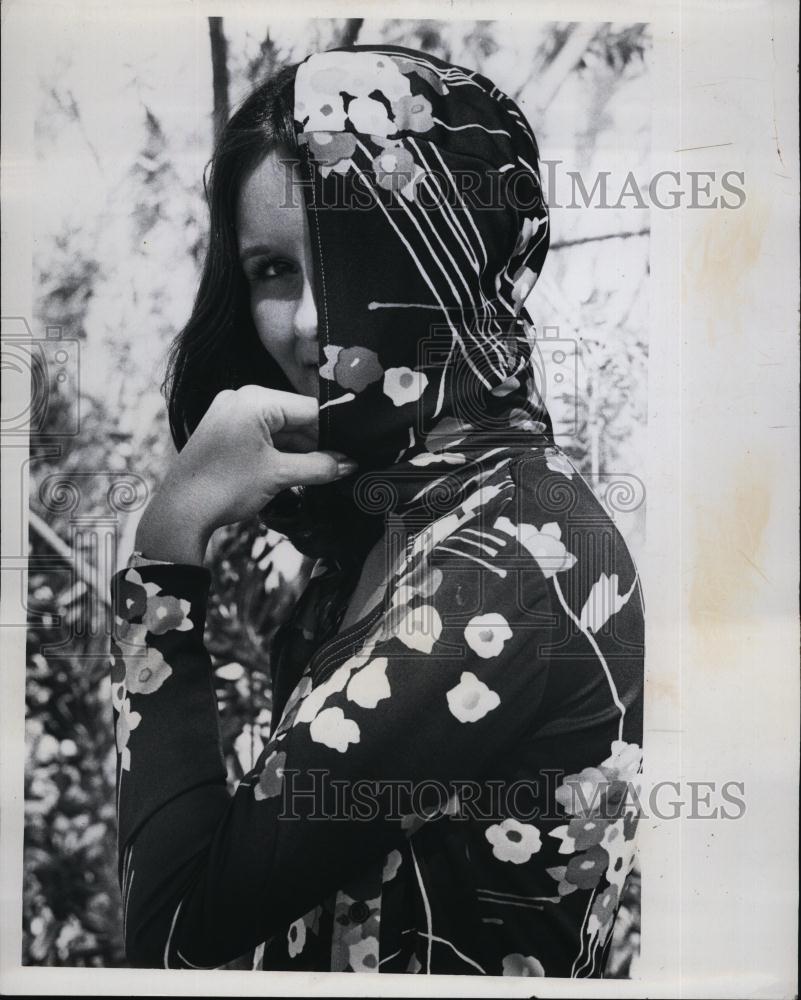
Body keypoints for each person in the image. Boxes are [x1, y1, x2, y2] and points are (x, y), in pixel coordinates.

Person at [108, 44, 644, 977]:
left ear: (459, 257)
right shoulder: (377, 539)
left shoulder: (512, 557)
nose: (312, 320)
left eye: (355, 260)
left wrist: (165, 548)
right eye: (272, 270)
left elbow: (171, 935)